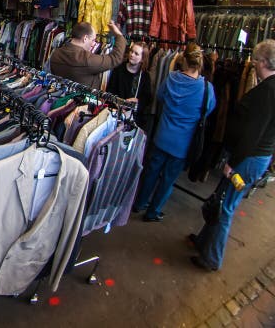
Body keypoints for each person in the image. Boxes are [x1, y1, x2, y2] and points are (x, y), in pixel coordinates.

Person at [189, 39, 275, 271]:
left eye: (256, 60)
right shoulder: (270, 87)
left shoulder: (268, 91)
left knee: (226, 205)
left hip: (249, 160)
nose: (254, 65)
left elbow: (253, 133)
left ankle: (212, 258)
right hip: (256, 158)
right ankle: (205, 241)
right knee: (223, 199)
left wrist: (232, 164)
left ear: (265, 62)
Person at [133, 43, 216, 222]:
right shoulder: (206, 89)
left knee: (151, 173)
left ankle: (139, 203)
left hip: (162, 136)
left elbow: (161, 97)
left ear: (183, 60)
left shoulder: (171, 78)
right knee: (167, 180)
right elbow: (208, 110)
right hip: (182, 144)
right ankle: (153, 212)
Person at [49, 20, 127, 89]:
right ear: (85, 38)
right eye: (93, 40)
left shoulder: (55, 54)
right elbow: (116, 58)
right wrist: (119, 35)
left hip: (59, 98)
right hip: (80, 103)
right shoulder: (86, 60)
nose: (93, 44)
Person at [106, 41, 153, 131]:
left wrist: (138, 101)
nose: (132, 55)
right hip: (115, 115)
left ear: (142, 59)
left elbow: (147, 98)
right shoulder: (119, 69)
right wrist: (117, 105)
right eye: (131, 51)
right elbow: (110, 91)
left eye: (136, 54)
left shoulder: (144, 76)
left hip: (132, 120)